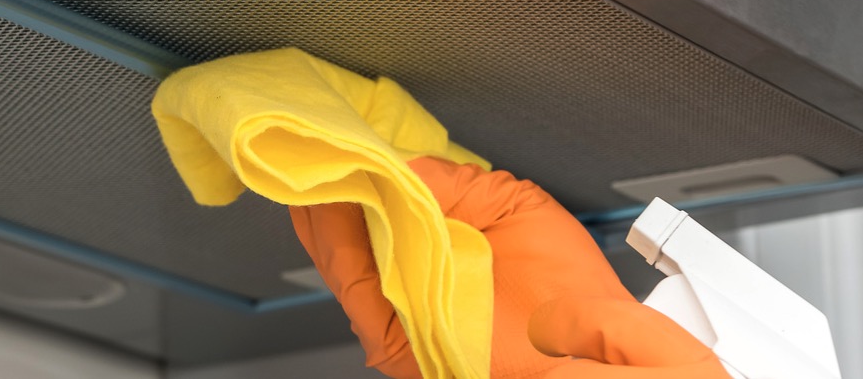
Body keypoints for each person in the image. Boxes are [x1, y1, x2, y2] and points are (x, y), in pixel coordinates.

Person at [290, 157, 730, 378]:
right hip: (494, 266)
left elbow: (575, 322)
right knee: (339, 185)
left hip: (454, 350)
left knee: (333, 183)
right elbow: (575, 322)